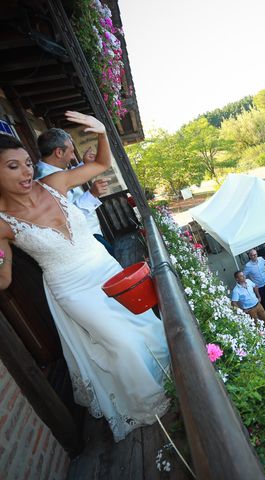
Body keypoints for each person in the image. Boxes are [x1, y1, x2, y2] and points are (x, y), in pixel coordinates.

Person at [0, 114, 169, 442]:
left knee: (145, 324)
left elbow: (102, 163)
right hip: (72, 288)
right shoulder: (3, 224)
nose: (26, 172)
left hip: (104, 267)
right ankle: (153, 403)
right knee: (122, 342)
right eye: (12, 166)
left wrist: (103, 132)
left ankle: (173, 379)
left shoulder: (55, 184)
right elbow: (4, 280)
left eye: (26, 163)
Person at [35, 129, 112, 255]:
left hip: (90, 233)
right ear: (59, 152)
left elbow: (67, 179)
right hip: (86, 240)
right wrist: (91, 195)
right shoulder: (45, 181)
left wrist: (84, 164)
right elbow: (67, 219)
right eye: (71, 152)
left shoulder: (50, 171)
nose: (72, 157)